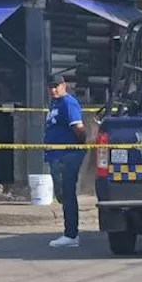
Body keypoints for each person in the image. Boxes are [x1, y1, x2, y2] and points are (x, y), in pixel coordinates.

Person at [45, 75, 86, 248]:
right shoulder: (55, 104)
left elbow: (78, 127)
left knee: (67, 193)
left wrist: (80, 145)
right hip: (56, 155)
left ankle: (71, 234)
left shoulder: (68, 103)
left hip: (67, 155)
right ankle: (70, 232)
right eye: (51, 86)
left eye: (56, 86)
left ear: (64, 86)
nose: (53, 90)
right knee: (62, 194)